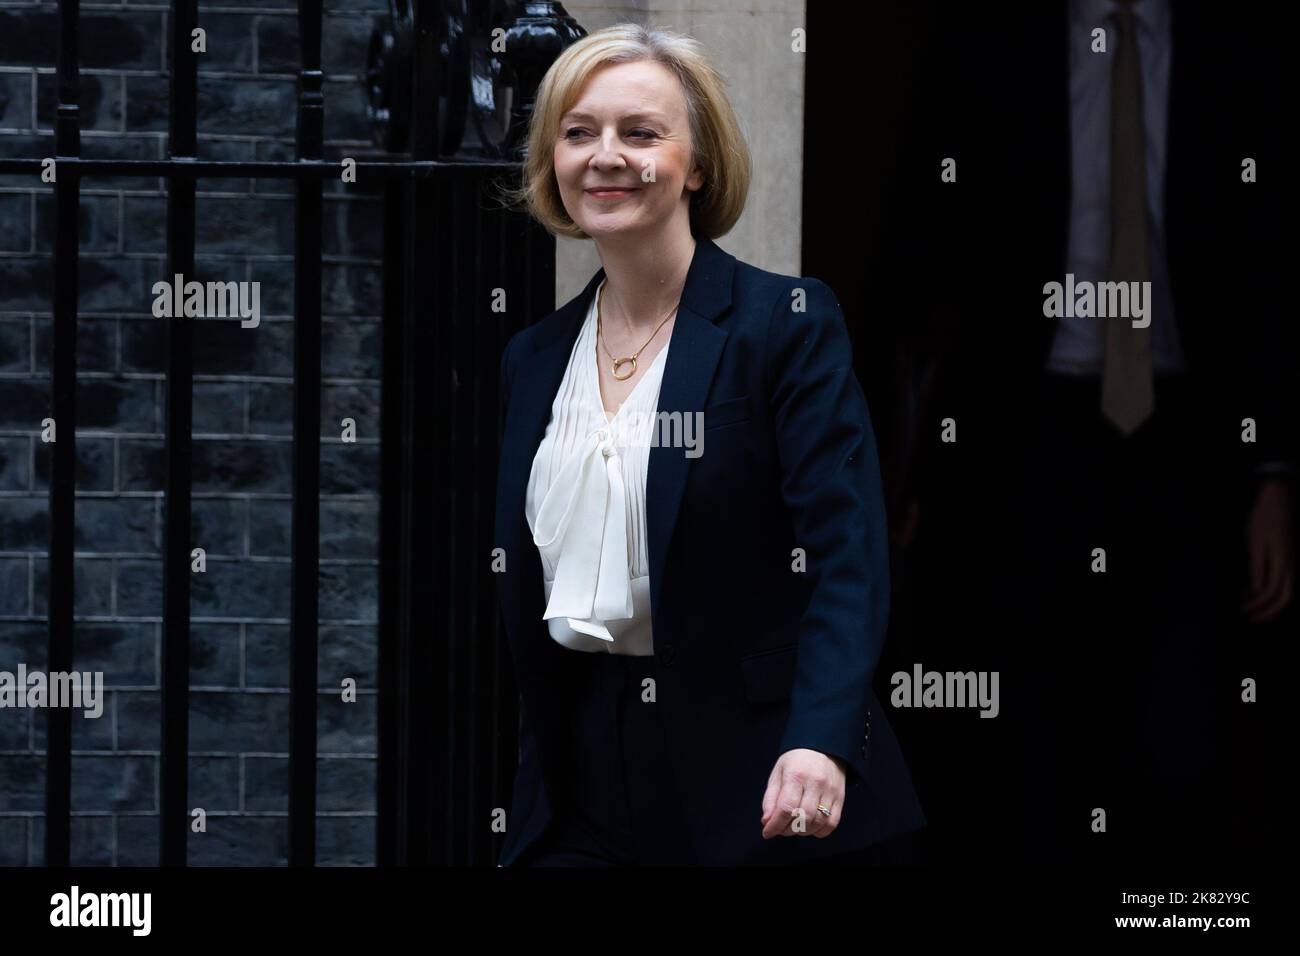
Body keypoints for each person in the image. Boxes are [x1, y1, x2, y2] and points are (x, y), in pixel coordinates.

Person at [491, 23, 924, 866]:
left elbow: (849, 554)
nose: (605, 155)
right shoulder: (534, 357)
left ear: (697, 164)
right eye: (578, 133)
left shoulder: (784, 325)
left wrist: (821, 740)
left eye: (640, 132)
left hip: (754, 770)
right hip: (578, 773)